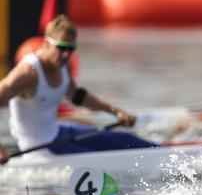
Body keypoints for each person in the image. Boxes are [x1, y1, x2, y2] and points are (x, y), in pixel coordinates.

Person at [0, 15, 155, 163]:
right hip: (40, 149)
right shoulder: (28, 73)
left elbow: (77, 96)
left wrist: (115, 112)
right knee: (101, 160)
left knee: (126, 140)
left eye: (71, 49)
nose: (66, 55)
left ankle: (163, 153)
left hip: (58, 133)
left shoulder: (62, 64)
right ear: (46, 44)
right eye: (61, 48)